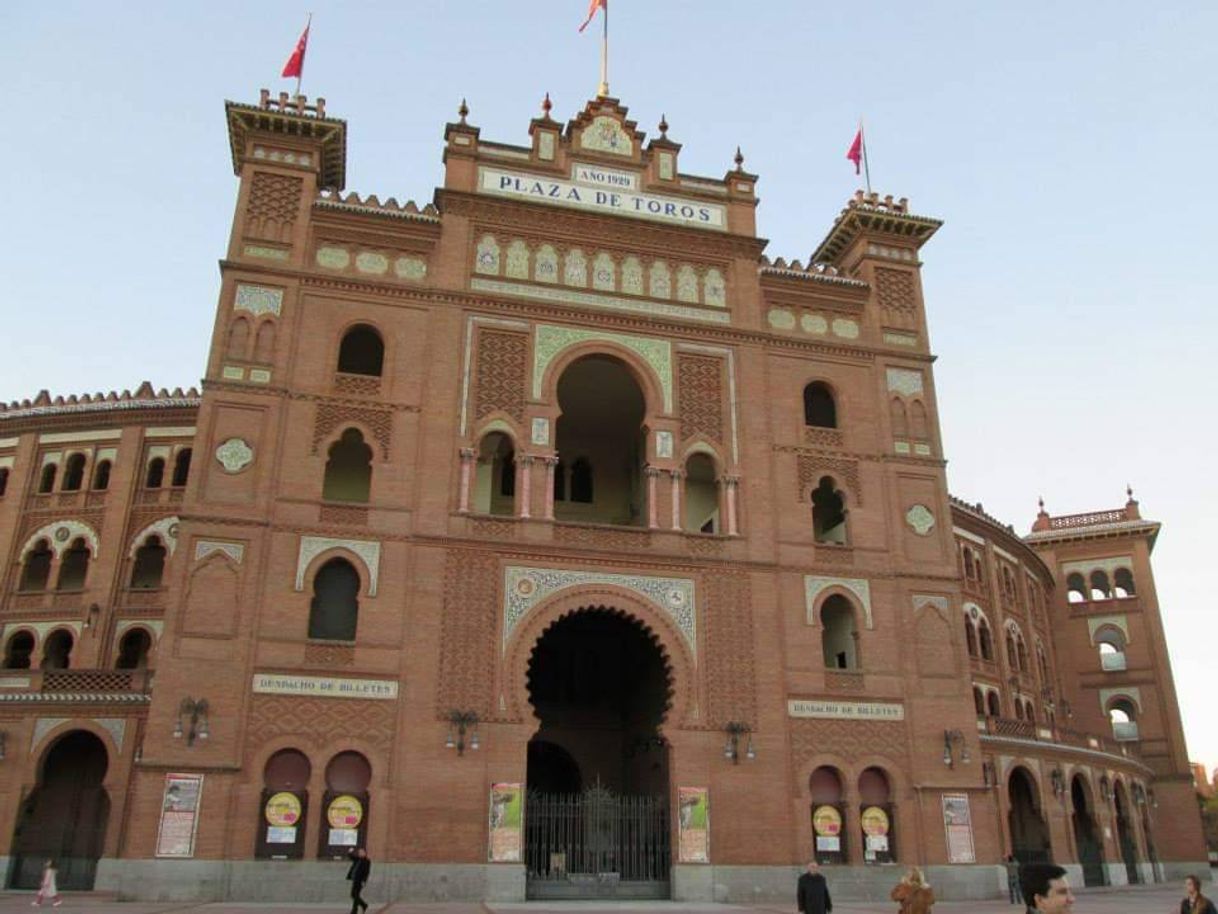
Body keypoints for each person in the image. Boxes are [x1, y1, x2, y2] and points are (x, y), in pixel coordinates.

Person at [346, 846, 371, 914]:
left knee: (355, 894)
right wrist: (350, 851)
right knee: (353, 895)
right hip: (355, 879)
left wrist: (364, 881)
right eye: (359, 852)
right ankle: (364, 905)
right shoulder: (357, 859)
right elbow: (351, 857)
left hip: (360, 881)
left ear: (365, 853)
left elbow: (366, 872)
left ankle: (354, 911)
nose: (360, 853)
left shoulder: (367, 861)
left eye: (362, 852)